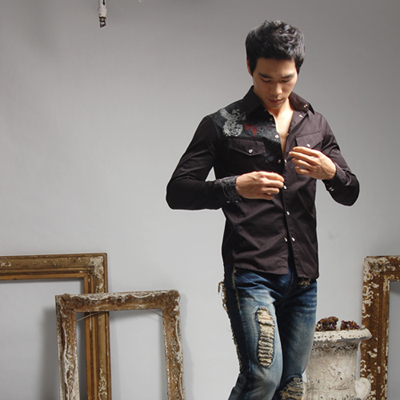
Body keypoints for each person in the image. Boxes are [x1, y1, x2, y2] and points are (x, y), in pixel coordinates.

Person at [166, 20, 359, 400]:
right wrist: (234, 186)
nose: (276, 90)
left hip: (304, 276)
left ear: (298, 70)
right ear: (249, 68)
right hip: (252, 271)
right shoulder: (222, 125)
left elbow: (350, 192)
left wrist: (331, 172)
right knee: (263, 379)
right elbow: (178, 192)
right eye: (266, 78)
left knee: (291, 386)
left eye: (286, 79)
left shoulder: (315, 125)